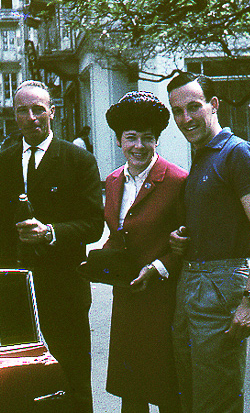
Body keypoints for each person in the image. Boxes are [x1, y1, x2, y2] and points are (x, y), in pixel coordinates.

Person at [0, 80, 104, 413]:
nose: (31, 117)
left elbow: (93, 225)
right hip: (14, 285)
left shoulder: (79, 160)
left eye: (38, 109)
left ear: (52, 112)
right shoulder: (2, 162)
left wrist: (50, 232)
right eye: (22, 110)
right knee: (20, 375)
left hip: (64, 286)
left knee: (71, 372)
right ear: (14, 115)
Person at [166, 72, 250, 413]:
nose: (186, 119)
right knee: (192, 395)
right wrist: (184, 238)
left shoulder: (238, 153)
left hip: (221, 286)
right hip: (192, 285)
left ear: (213, 106)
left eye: (194, 107)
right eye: (178, 112)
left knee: (216, 401)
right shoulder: (202, 154)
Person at [102, 91, 187, 413]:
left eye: (147, 138)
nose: (139, 146)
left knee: (166, 386)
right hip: (127, 297)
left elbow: (187, 241)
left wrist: (159, 267)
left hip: (164, 298)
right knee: (131, 387)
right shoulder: (112, 181)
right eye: (131, 138)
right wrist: (99, 262)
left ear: (157, 141)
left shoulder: (177, 180)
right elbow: (118, 235)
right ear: (120, 141)